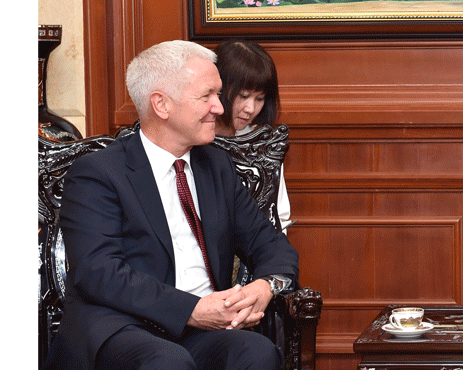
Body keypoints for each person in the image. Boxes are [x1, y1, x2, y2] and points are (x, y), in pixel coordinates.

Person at [49, 40, 298, 370]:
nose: (219, 108)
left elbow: (271, 245)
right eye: (206, 96)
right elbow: (99, 271)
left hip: (202, 331)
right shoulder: (99, 173)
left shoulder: (216, 167)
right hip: (124, 327)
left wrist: (266, 286)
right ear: (161, 105)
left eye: (218, 94)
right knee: (167, 362)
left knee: (257, 353)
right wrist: (191, 309)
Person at [214, 39, 291, 230]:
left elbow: (279, 214)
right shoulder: (192, 140)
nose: (250, 109)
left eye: (260, 99)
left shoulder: (264, 145)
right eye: (244, 95)